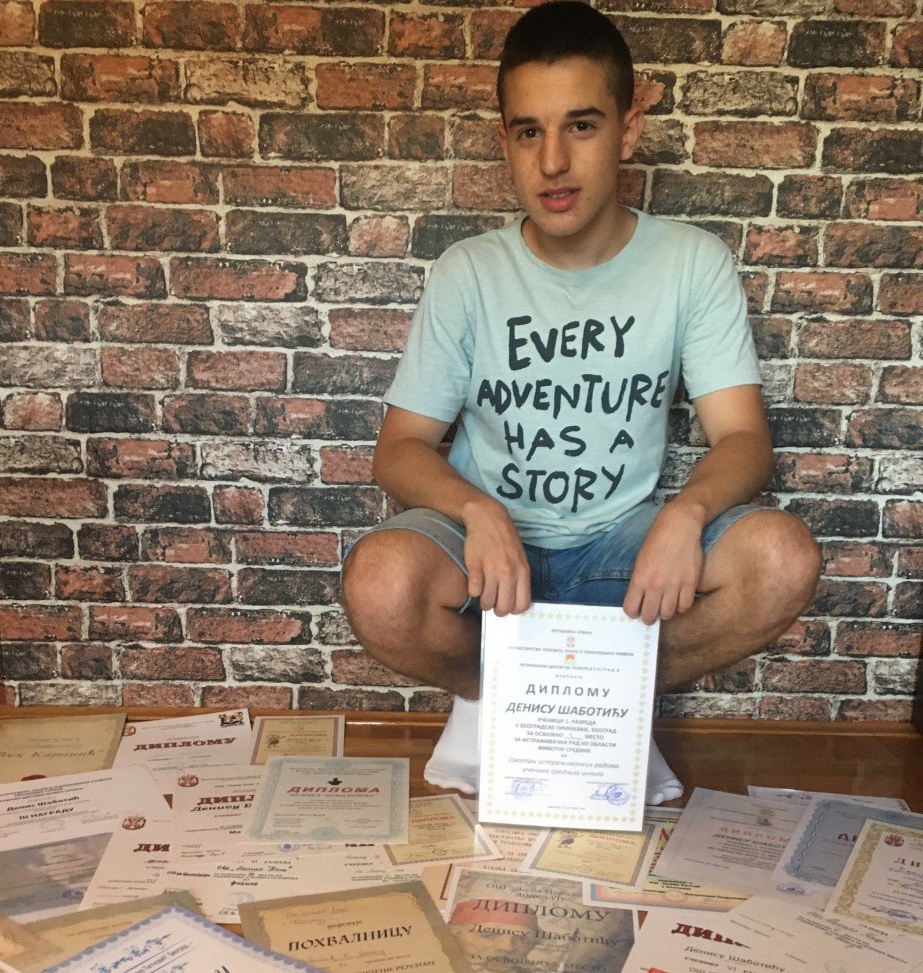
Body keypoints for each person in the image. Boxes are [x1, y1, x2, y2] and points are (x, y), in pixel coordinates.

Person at [342, 0, 820, 801]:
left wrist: (687, 514)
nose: (554, 162)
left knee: (782, 558)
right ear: (505, 141)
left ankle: (605, 700)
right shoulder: (469, 272)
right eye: (529, 131)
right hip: (491, 563)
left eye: (583, 126)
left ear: (629, 131)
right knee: (379, 583)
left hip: (618, 553)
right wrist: (478, 512)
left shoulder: (691, 263)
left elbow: (743, 437)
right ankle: (500, 698)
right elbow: (399, 449)